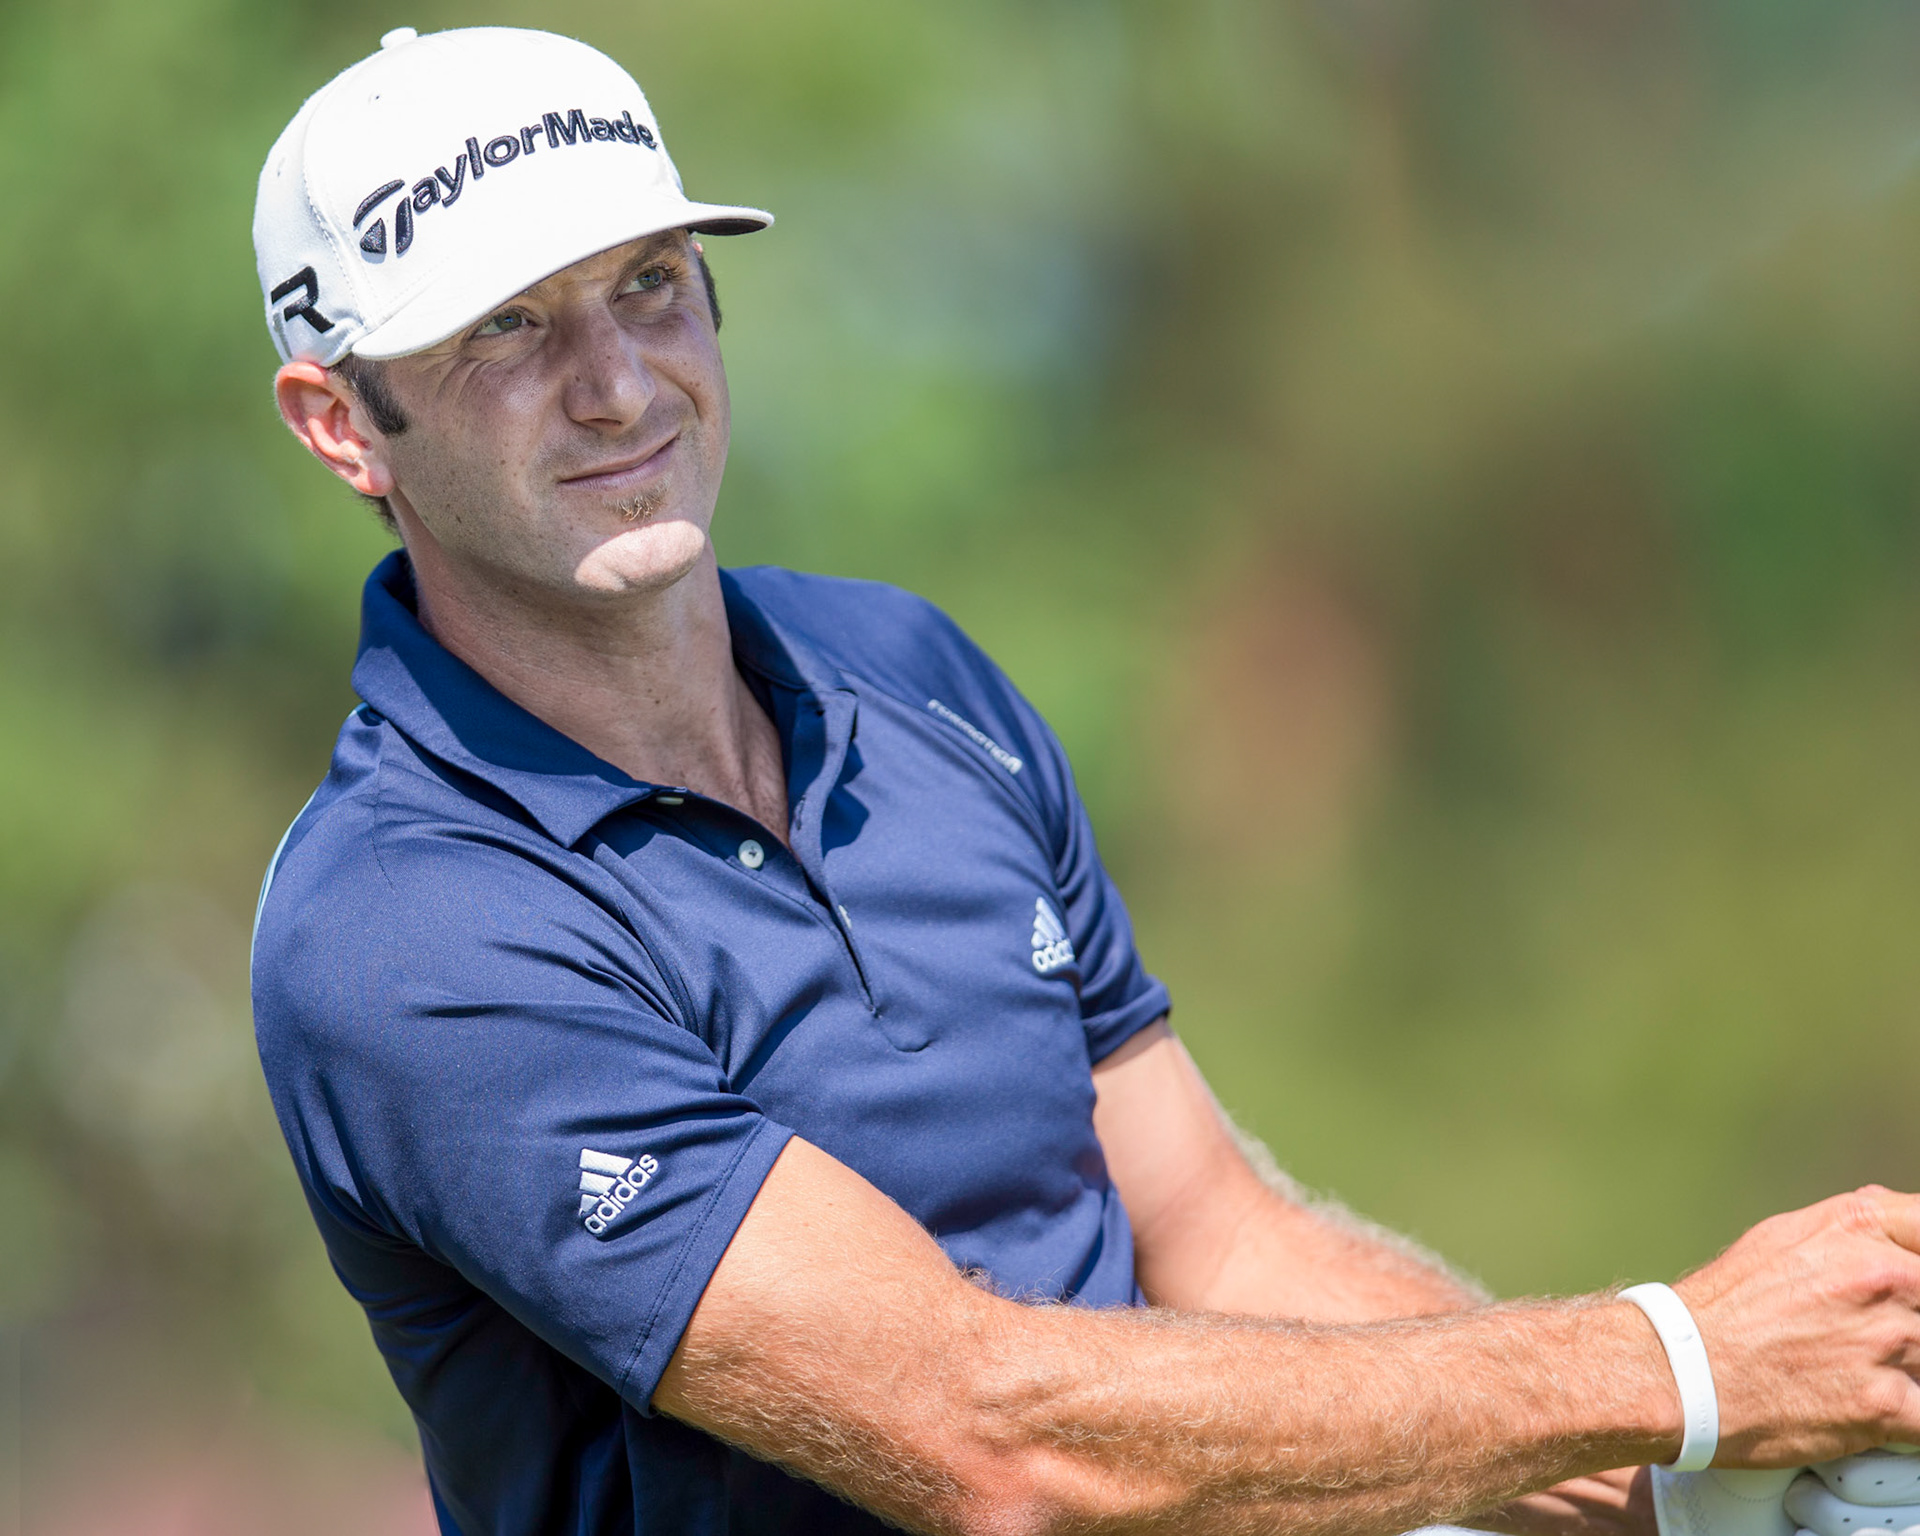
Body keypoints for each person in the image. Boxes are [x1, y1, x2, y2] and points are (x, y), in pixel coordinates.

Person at [249, 25, 1920, 1536]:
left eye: (650, 284)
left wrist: (1695, 1496)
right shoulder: (406, 928)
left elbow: (1215, 1240)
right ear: (344, 427)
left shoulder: (906, 674)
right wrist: (1678, 1365)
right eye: (506, 331)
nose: (618, 383)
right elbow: (984, 1443)